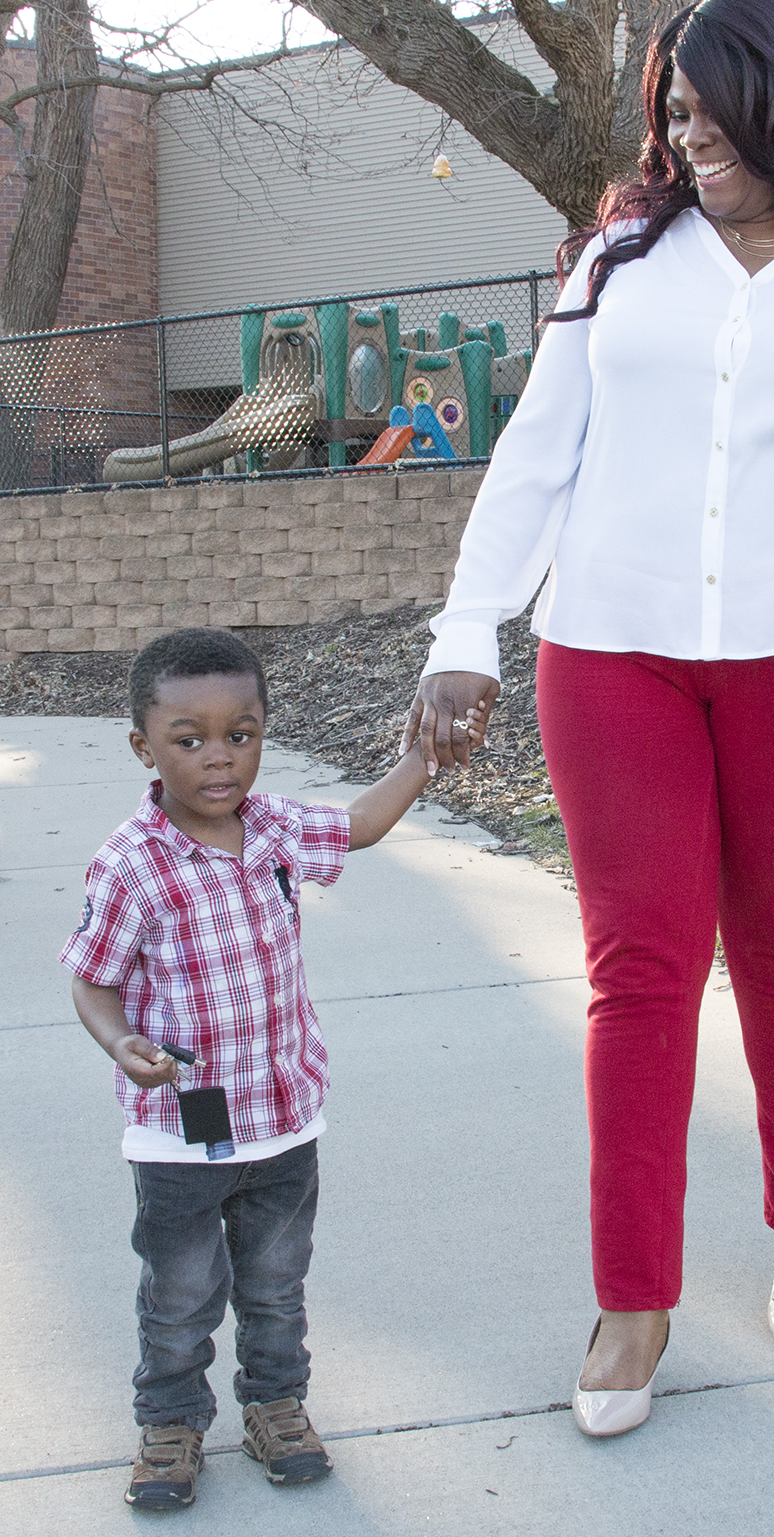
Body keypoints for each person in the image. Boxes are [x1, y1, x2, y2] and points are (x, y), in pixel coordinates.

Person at [402, 0, 774, 1438]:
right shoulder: (620, 259)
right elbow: (537, 453)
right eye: (672, 104)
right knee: (639, 970)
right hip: (612, 652)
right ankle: (632, 1299)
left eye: (713, 102)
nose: (685, 126)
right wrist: (466, 632)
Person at [62, 626, 459, 1510]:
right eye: (188, 739)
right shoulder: (132, 865)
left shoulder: (274, 827)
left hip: (284, 1120)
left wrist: (420, 757)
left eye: (240, 735)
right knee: (180, 1296)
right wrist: (118, 1039)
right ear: (144, 747)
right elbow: (92, 981)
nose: (218, 760)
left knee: (277, 1288)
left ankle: (275, 1406)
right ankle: (169, 1423)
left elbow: (356, 825)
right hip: (179, 1139)